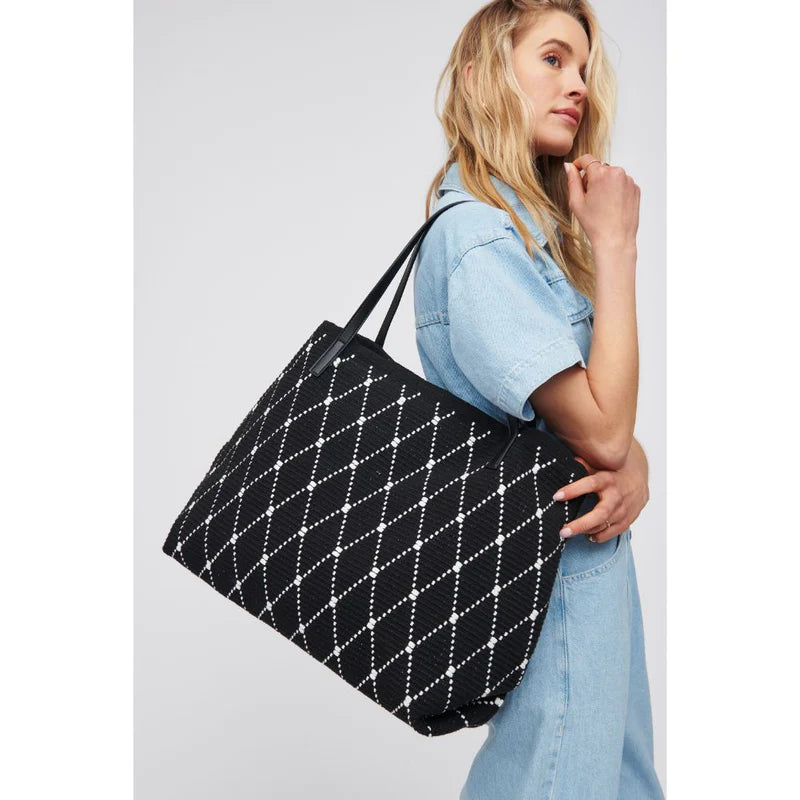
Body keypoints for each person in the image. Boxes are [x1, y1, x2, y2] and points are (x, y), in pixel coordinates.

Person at [412, 1, 665, 798]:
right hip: (551, 572)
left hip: (586, 564)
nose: (578, 84)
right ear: (484, 75)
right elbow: (602, 431)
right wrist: (616, 245)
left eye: (583, 67)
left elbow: (593, 426)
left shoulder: (526, 235)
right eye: (553, 59)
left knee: (618, 782)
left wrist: (633, 467)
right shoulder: (480, 239)